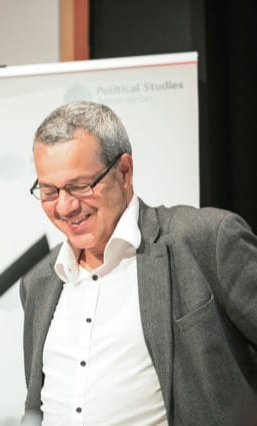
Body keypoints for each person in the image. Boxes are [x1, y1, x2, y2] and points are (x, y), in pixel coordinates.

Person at [20, 101, 257, 425]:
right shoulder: (39, 282)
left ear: (124, 172)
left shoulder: (206, 239)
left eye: (79, 186)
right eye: (49, 191)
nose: (65, 206)